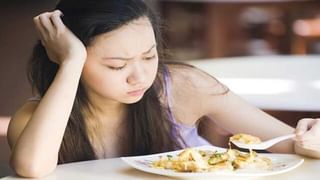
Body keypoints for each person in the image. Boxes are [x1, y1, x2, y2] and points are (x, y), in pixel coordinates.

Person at [6, 0, 320, 178]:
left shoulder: (182, 87)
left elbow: (288, 143)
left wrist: (310, 139)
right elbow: (32, 168)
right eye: (117, 65)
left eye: (149, 55)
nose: (139, 76)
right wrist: (71, 61)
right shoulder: (38, 117)